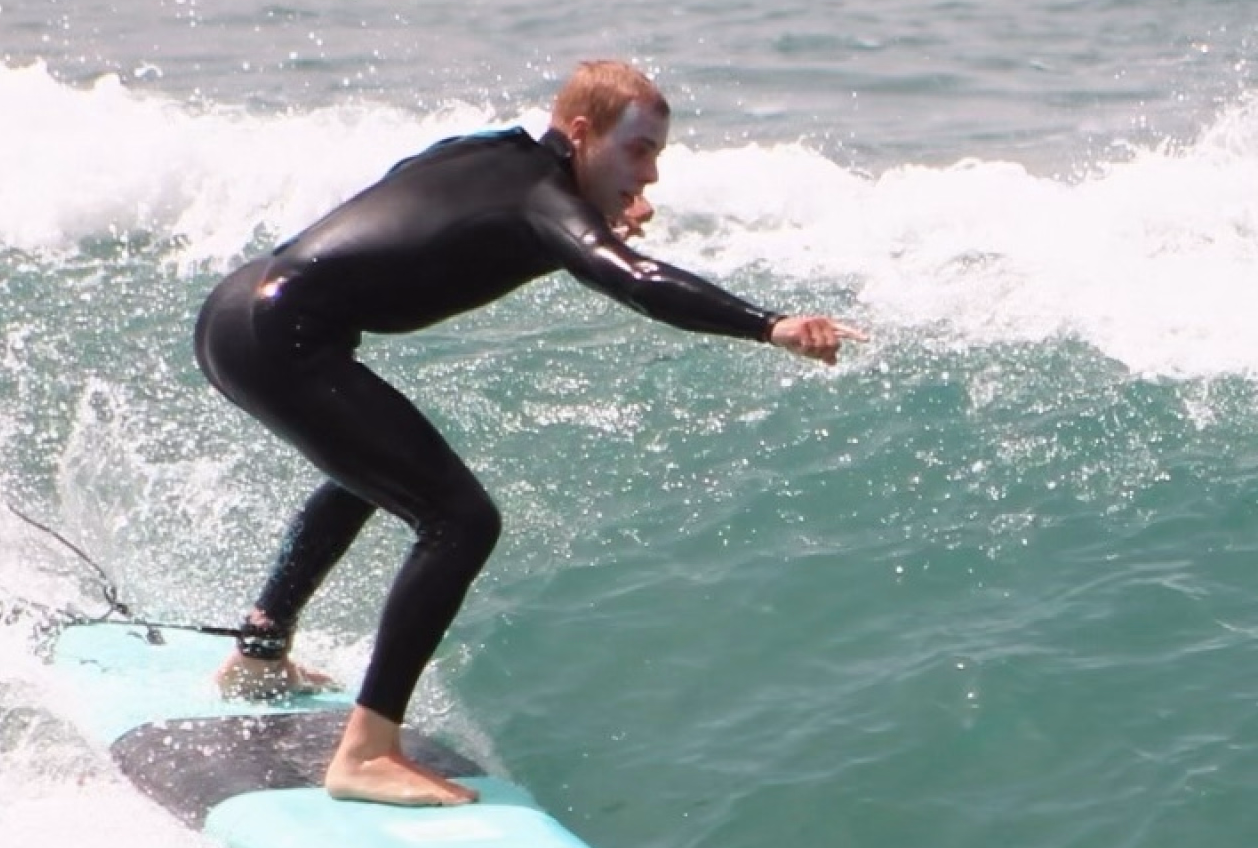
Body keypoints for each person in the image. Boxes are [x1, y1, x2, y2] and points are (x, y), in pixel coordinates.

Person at [194, 61, 860, 807]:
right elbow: (633, 281)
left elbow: (424, 200)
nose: (653, 174)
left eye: (658, 155)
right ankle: (365, 754)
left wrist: (588, 222)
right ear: (582, 134)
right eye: (638, 150)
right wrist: (769, 325)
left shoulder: (490, 154)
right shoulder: (545, 202)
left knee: (376, 472)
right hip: (279, 335)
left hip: (239, 310)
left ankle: (260, 648)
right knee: (460, 520)